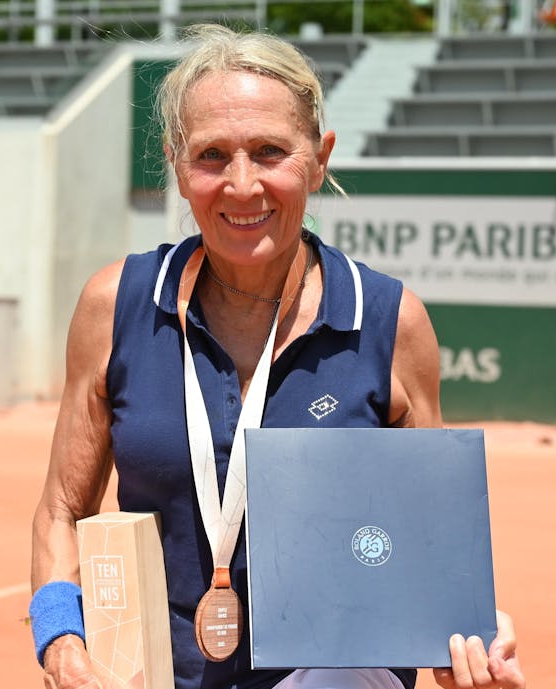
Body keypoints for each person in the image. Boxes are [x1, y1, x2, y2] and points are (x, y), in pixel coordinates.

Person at [29, 23, 527, 689]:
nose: (241, 185)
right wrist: (60, 640)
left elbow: (424, 550)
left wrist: (466, 633)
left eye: (270, 152)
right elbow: (63, 508)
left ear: (318, 158)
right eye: (211, 155)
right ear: (178, 165)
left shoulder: (389, 322)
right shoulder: (115, 305)